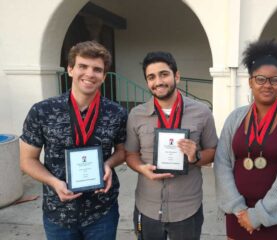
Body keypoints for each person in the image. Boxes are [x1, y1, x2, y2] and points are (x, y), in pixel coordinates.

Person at [19, 41, 127, 240]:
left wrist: (108, 164)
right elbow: (27, 160)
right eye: (82, 66)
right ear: (70, 69)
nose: (89, 74)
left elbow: (122, 151)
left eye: (97, 69)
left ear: (103, 76)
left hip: (101, 211)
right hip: (58, 212)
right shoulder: (42, 111)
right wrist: (53, 182)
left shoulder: (116, 113)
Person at [214, 39, 277, 240]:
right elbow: (222, 163)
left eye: (274, 80)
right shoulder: (236, 117)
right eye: (260, 79)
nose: (267, 85)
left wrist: (259, 215)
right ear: (250, 82)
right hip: (238, 216)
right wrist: (238, 209)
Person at [125, 51, 218, 240]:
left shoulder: (201, 112)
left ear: (176, 75)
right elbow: (130, 154)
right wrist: (142, 168)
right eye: (151, 77)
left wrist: (196, 156)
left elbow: (213, 151)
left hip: (186, 208)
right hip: (147, 206)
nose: (158, 81)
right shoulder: (136, 114)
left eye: (163, 74)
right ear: (147, 82)